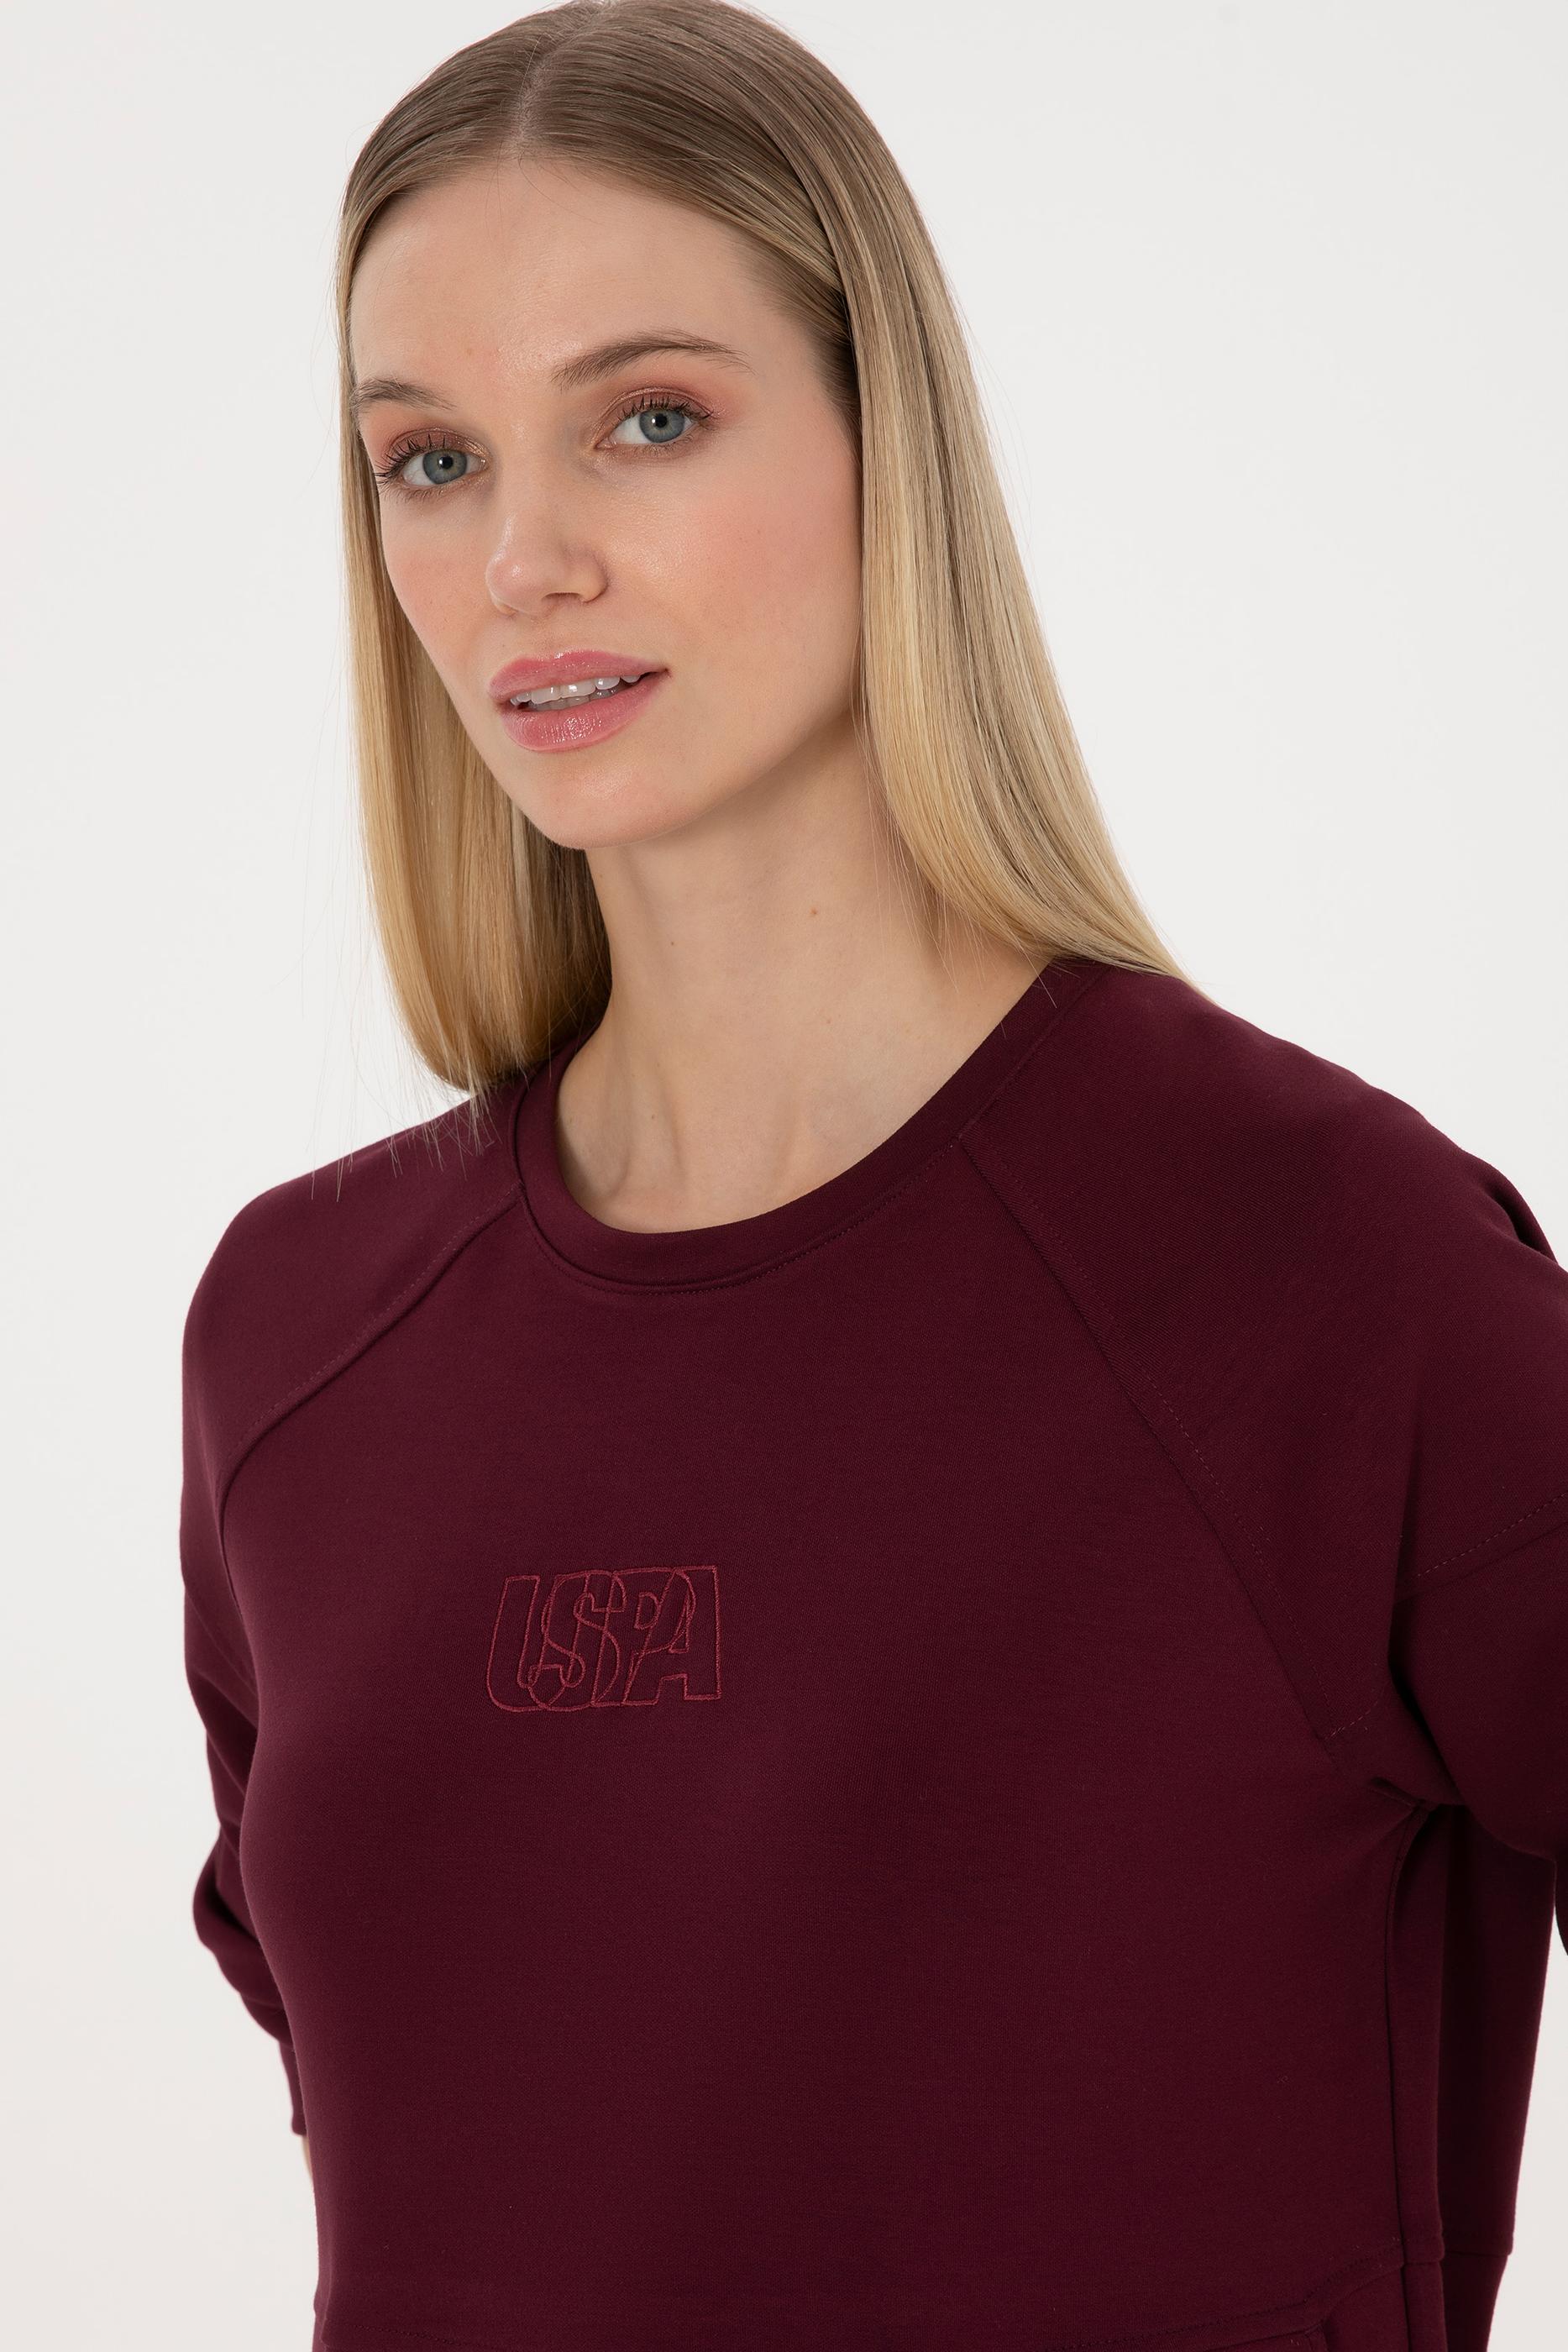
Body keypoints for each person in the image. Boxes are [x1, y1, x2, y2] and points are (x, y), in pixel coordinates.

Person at [178, 4, 1568, 2349]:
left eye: (647, 418)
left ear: (880, 442)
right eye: (428, 459)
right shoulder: (301, 1339)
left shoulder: (1319, 1268)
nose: (522, 560)